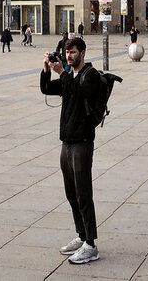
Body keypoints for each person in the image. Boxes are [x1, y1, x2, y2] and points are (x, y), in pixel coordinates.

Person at [41, 36, 111, 265]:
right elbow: (46, 88)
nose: (69, 56)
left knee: (83, 194)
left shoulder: (89, 75)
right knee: (71, 194)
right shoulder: (69, 76)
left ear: (82, 52)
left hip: (82, 142)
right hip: (67, 142)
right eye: (66, 52)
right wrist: (46, 70)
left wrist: (62, 72)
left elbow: (81, 93)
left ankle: (91, 244)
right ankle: (81, 236)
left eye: (72, 52)